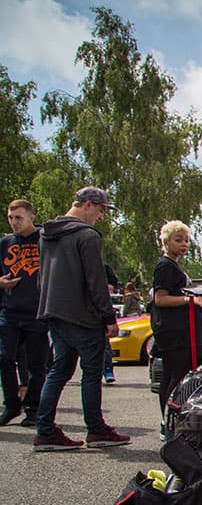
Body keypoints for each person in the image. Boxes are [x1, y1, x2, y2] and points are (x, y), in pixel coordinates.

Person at [32, 187, 130, 450]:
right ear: (87, 204)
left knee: (59, 371)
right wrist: (108, 317)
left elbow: (42, 276)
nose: (101, 216)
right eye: (100, 210)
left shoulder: (46, 234)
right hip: (83, 316)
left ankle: (45, 430)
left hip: (54, 311)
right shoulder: (87, 236)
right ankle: (96, 430)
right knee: (91, 372)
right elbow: (95, 281)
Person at [153, 220, 202, 415]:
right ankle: (169, 417)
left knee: (175, 375)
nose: (184, 244)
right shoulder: (165, 266)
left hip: (181, 332)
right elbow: (160, 299)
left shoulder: (173, 266)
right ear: (166, 241)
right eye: (178, 240)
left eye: (186, 240)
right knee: (176, 377)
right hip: (175, 334)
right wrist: (192, 300)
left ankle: (169, 417)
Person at [0, 200, 48, 428]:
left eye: (18, 217)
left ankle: (33, 408)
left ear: (31, 217)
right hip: (9, 311)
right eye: (10, 218)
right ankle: (11, 405)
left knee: (37, 365)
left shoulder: (45, 240)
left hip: (37, 312)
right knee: (4, 358)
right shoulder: (5, 243)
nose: (14, 222)